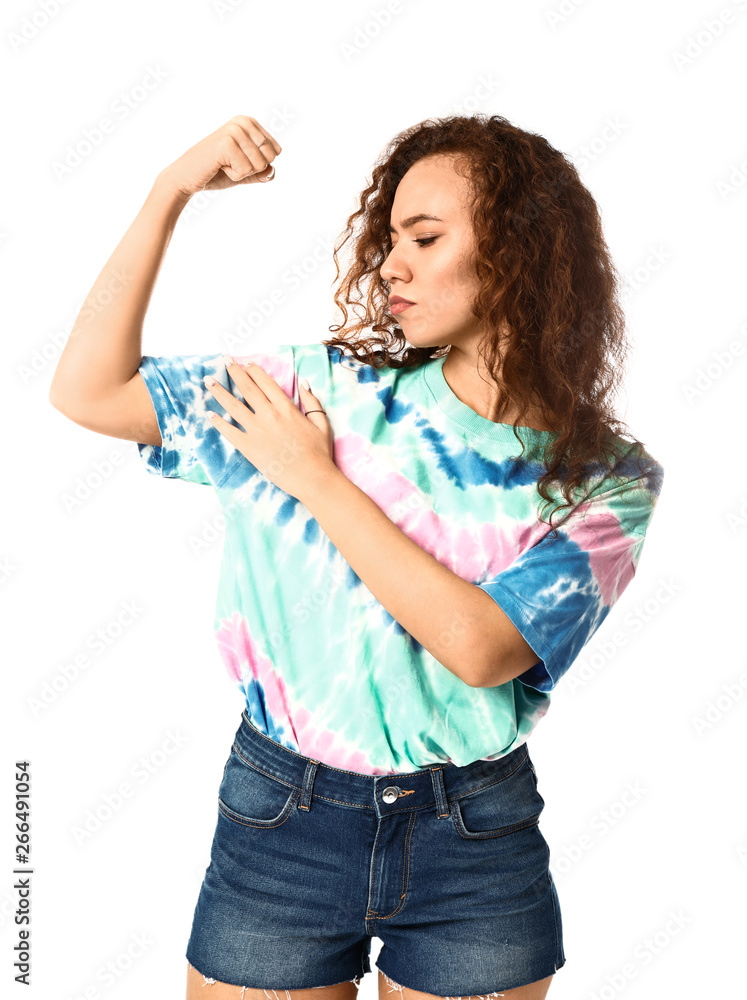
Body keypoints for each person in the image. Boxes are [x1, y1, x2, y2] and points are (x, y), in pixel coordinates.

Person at [49, 113, 664, 1000]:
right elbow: (89, 390)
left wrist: (315, 478)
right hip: (279, 822)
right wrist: (167, 191)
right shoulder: (315, 389)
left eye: (423, 237)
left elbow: (480, 646)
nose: (390, 266)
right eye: (387, 240)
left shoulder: (606, 479)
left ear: (520, 251)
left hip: (474, 846)